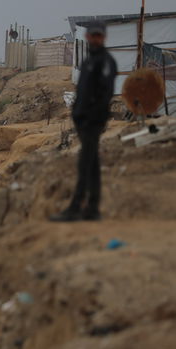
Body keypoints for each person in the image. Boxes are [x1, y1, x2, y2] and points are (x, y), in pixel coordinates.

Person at [51, 21, 117, 222]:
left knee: (84, 164)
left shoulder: (105, 62)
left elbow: (105, 94)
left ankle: (75, 208)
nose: (95, 39)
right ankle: (93, 208)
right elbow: (84, 91)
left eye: (99, 36)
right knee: (93, 164)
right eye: (92, 35)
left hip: (92, 121)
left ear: (103, 38)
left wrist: (91, 117)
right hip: (83, 120)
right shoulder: (89, 61)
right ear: (87, 37)